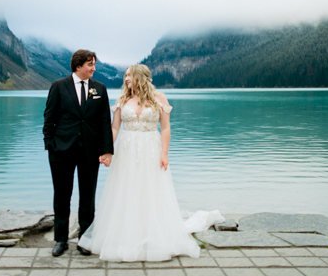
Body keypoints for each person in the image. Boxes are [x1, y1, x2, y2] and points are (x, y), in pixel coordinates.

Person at [78, 64, 221, 262]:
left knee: (150, 189)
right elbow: (114, 128)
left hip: (150, 148)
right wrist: (107, 150)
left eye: (130, 75)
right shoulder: (122, 99)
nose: (126, 78)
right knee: (125, 190)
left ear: (141, 77)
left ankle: (153, 235)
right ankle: (124, 235)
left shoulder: (159, 99)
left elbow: (166, 128)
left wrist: (164, 153)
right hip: (126, 149)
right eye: (125, 75)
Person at [43, 49, 114, 257]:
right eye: (90, 64)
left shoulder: (99, 88)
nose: (94, 68)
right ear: (78, 66)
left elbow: (104, 122)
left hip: (91, 152)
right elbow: (49, 118)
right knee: (62, 196)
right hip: (61, 151)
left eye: (94, 64)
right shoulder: (58, 86)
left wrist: (107, 150)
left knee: (87, 196)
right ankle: (61, 240)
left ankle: (85, 239)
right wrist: (50, 145)